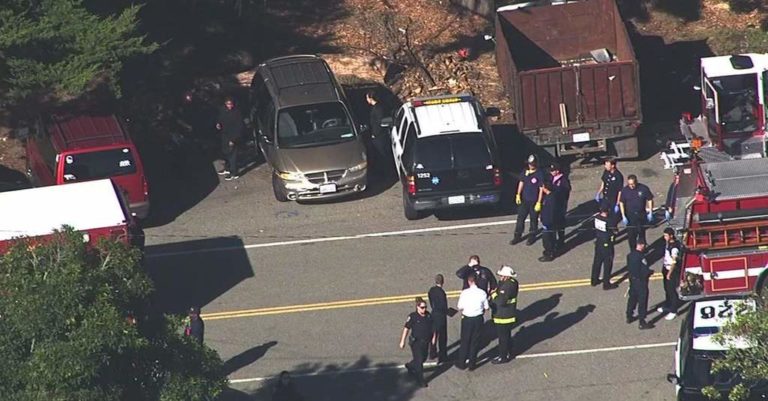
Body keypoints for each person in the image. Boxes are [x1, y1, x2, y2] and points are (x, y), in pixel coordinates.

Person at [399, 297, 436, 387]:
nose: (424, 309)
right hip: (416, 343)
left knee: (423, 358)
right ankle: (421, 380)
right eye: (422, 307)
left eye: (425, 307)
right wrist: (402, 341)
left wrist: (434, 339)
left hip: (426, 342)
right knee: (419, 361)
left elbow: (433, 328)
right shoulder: (413, 317)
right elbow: (406, 328)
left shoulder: (428, 315)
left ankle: (410, 365)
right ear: (417, 307)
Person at [539, 161, 571, 262]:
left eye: (553, 170)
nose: (552, 172)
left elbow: (563, 194)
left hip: (558, 207)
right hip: (552, 206)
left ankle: (555, 248)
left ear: (558, 171)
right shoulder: (550, 178)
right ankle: (555, 246)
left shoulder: (563, 181)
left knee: (556, 228)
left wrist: (550, 193)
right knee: (552, 230)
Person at [455, 275, 489, 371]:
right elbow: (486, 307)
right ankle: (472, 364)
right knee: (475, 341)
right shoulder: (482, 293)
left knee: (465, 341)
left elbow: (459, 306)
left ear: (469, 282)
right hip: (478, 319)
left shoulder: (465, 293)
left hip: (467, 319)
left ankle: (461, 363)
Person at [511, 154, 545, 246]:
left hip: (534, 200)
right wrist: (518, 194)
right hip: (525, 200)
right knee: (520, 218)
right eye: (530, 164)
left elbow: (541, 188)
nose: (531, 166)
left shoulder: (539, 174)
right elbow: (521, 183)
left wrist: (539, 202)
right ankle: (517, 235)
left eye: (533, 164)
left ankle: (532, 235)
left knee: (533, 219)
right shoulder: (525, 172)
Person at [489, 265, 519, 364]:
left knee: (503, 338)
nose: (500, 277)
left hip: (504, 316)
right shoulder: (511, 283)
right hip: (507, 315)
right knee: (507, 336)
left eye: (502, 276)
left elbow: (500, 301)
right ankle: (510, 351)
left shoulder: (508, 286)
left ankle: (503, 357)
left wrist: (493, 294)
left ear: (507, 276)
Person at [618, 175, 655, 251]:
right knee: (631, 235)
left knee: (641, 233)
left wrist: (650, 212)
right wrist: (623, 215)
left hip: (641, 215)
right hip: (630, 216)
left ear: (636, 182)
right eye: (629, 184)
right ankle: (633, 251)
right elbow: (621, 202)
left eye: (633, 184)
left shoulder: (643, 188)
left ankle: (642, 250)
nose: (631, 186)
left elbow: (650, 199)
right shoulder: (625, 190)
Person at [215, 97, 246, 181]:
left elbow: (239, 127)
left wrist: (233, 139)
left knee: (233, 155)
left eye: (231, 104)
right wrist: (218, 123)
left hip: (233, 136)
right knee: (226, 153)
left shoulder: (237, 113)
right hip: (225, 135)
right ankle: (227, 168)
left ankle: (234, 173)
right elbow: (220, 118)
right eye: (228, 104)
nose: (229, 106)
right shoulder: (223, 110)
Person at [627, 241, 653, 330]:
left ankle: (629, 315)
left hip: (632, 280)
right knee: (642, 301)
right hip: (641, 282)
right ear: (641, 245)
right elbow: (645, 269)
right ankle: (642, 321)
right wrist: (649, 273)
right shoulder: (641, 257)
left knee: (632, 298)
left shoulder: (630, 255)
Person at [658, 227, 682, 320]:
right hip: (665, 268)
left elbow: (674, 262)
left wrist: (669, 273)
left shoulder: (674, 247)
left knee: (671, 291)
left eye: (666, 235)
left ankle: (673, 310)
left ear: (671, 235)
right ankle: (668, 305)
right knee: (667, 289)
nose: (664, 237)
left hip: (671, 271)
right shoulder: (669, 243)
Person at [591, 205, 617, 290]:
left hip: (599, 241)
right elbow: (615, 230)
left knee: (597, 262)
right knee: (607, 263)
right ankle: (606, 284)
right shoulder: (609, 220)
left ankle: (594, 280)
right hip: (607, 243)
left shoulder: (597, 217)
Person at [366, 90, 391, 176]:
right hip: (376, 134)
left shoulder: (379, 108)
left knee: (382, 153)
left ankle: (387, 171)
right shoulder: (374, 108)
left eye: (367, 97)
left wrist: (375, 134)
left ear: (370, 98)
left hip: (379, 136)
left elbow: (379, 123)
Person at [428, 274, 448, 363]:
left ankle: (432, 352)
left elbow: (431, 302)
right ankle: (443, 355)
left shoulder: (431, 290)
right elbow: (443, 306)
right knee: (442, 336)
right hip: (441, 316)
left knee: (434, 334)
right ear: (442, 282)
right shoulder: (442, 293)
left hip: (434, 314)